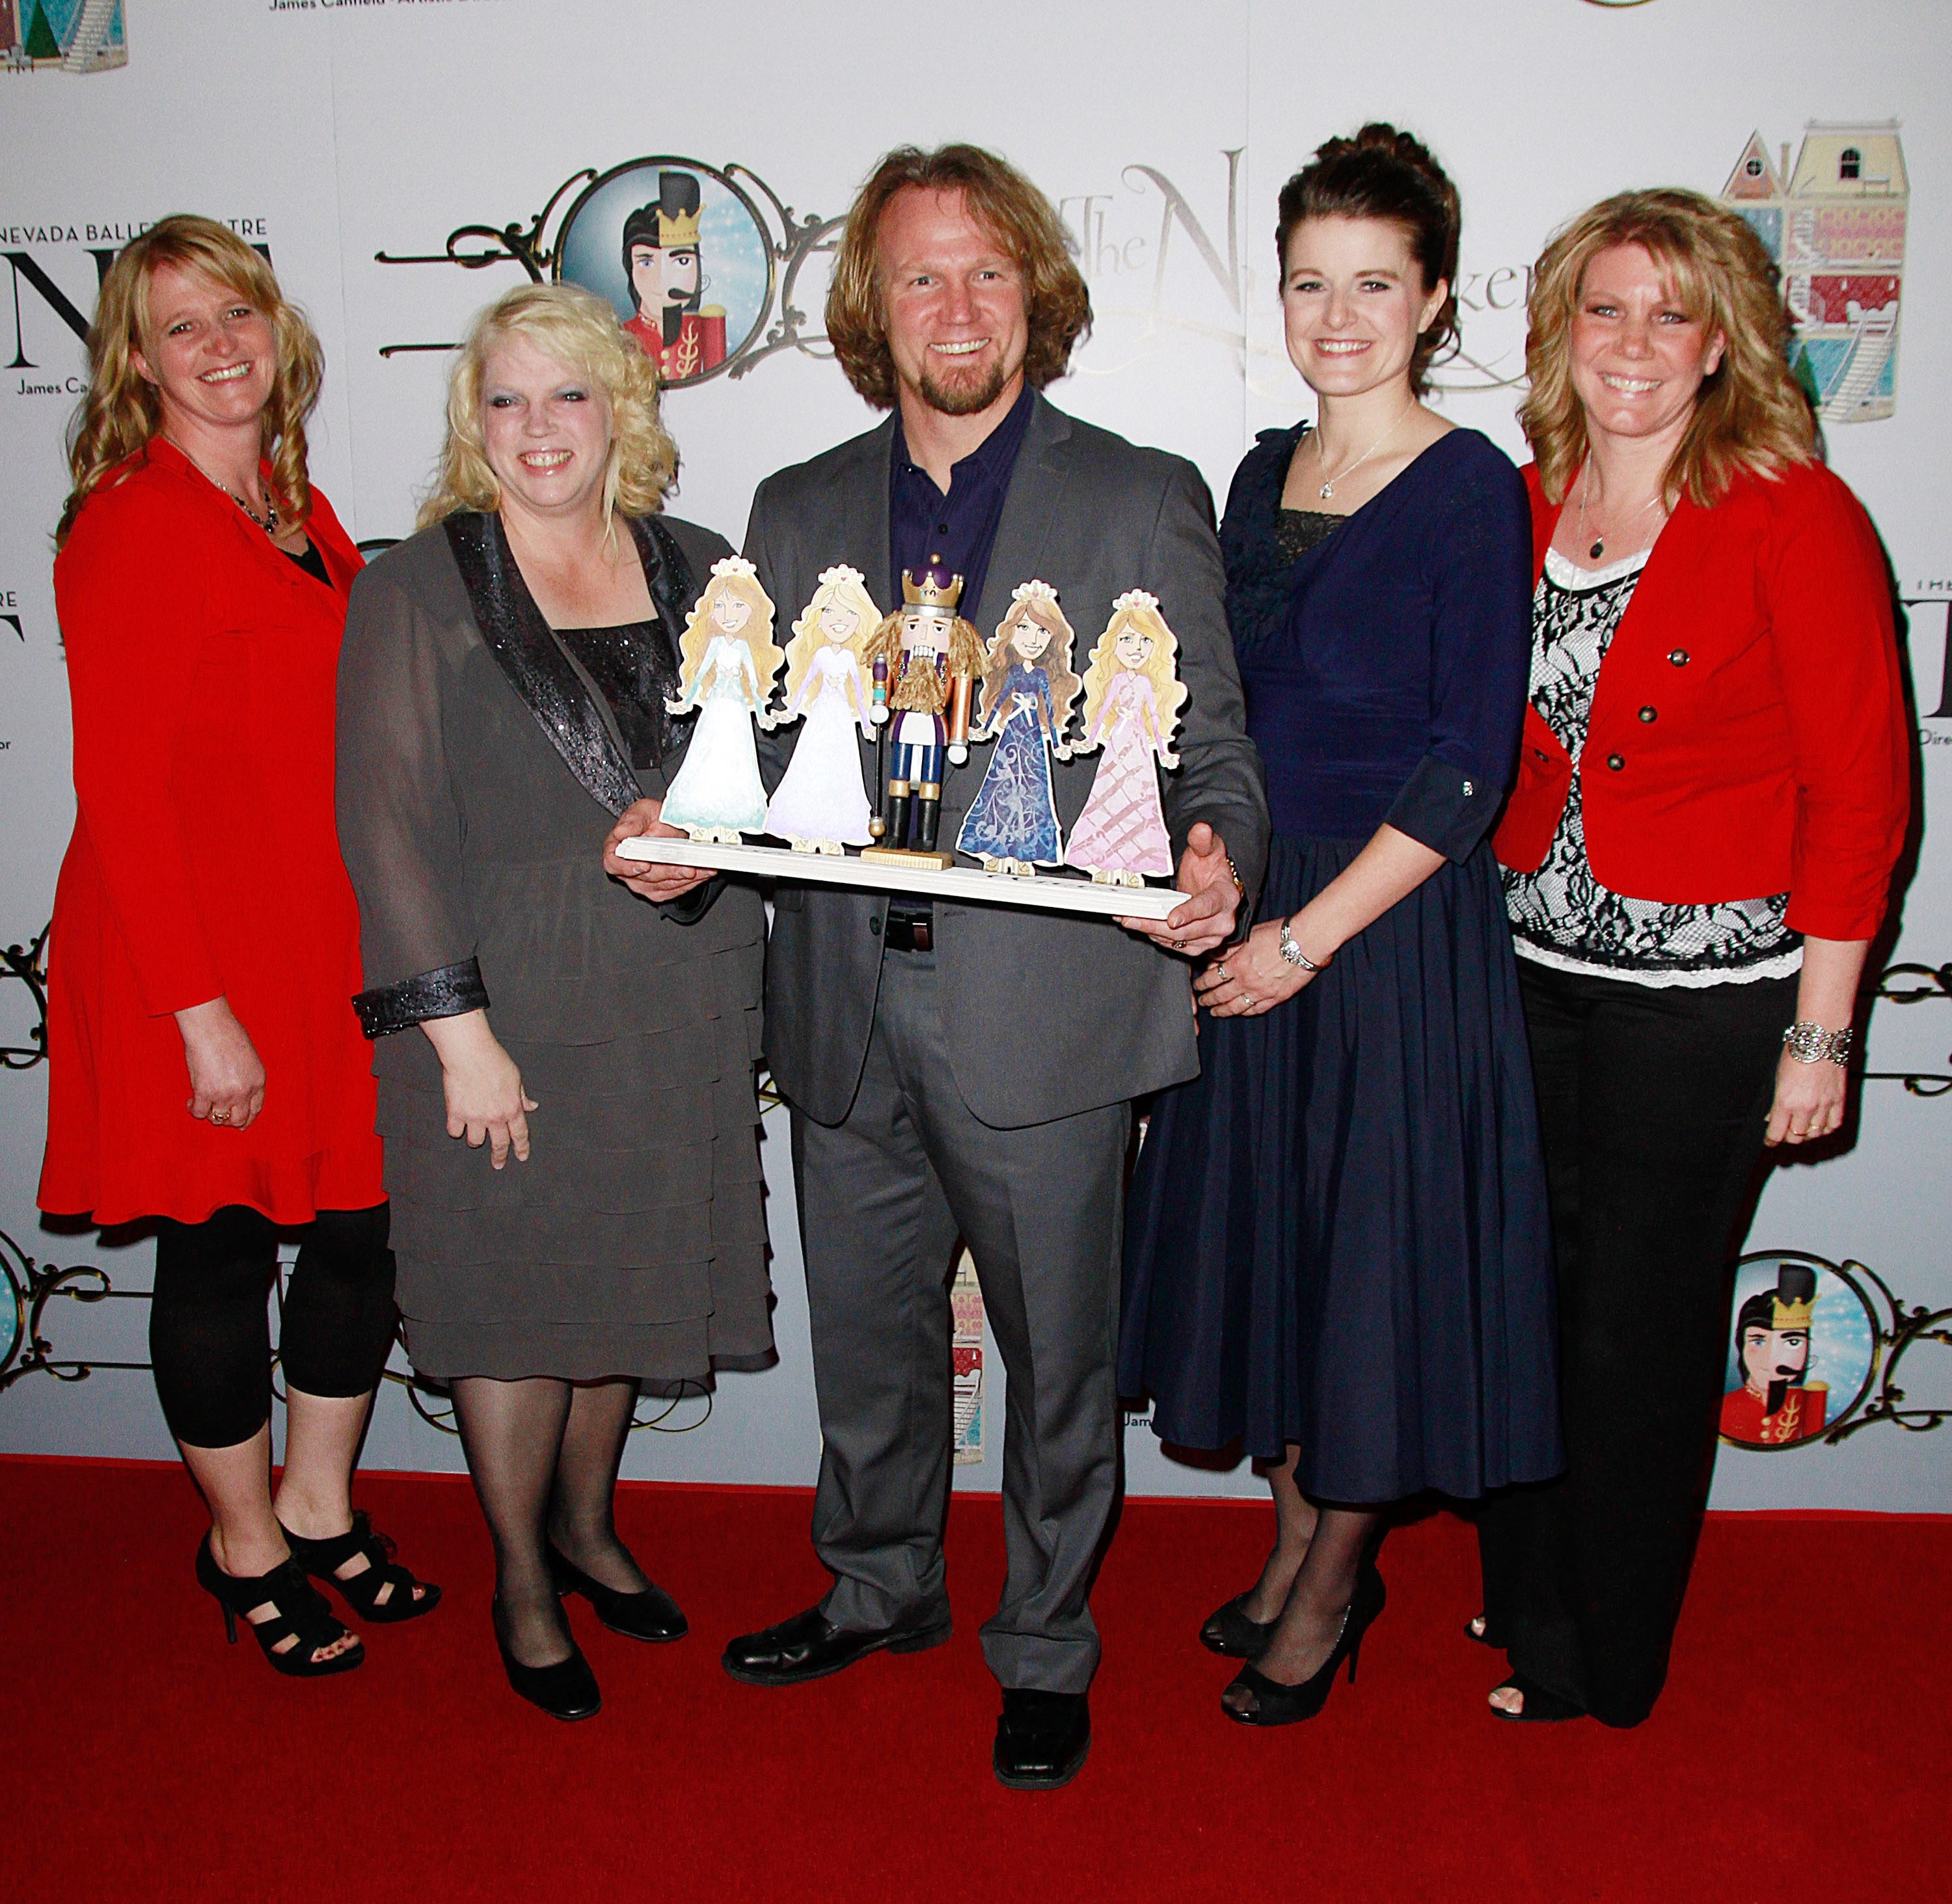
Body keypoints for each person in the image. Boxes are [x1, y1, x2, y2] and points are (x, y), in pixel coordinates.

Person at [607, 142, 1269, 1789]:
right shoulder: (798, 507)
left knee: (1056, 1360)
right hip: (838, 1005)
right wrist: (686, 831)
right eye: (918, 276)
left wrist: (1216, 863)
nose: (954, 306)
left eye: (983, 272)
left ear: (1032, 294)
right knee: (870, 1337)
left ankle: (1043, 1643)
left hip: (1043, 1016)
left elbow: (1218, 758)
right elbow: (750, 758)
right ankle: (877, 1585)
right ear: (869, 308)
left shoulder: (1138, 494)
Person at [1118, 125, 1562, 1727]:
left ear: (1433, 296)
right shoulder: (1255, 471)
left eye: (1373, 283)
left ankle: (1326, 1586)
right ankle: (1300, 1537)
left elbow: (1468, 766)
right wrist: (1213, 868)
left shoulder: (1468, 492)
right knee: (1280, 1266)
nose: (1336, 315)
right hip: (1258, 911)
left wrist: (1307, 942)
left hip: (1383, 937)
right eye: (1310, 282)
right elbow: (1209, 712)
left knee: (1366, 1270)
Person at [1474, 189, 1907, 1724]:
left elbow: (1861, 789)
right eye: (1605, 308)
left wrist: (1821, 1030)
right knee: (1519, 1304)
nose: (1634, 342)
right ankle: (1519, 1602)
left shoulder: (1792, 513)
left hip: (1707, 1006)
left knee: (1637, 1333)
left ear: (1723, 341)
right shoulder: (1522, 495)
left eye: (1671, 312)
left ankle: (1604, 1656)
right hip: (1523, 973)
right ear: (1560, 333)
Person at [335, 282, 772, 1721]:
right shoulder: (415, 583)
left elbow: (753, 785)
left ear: (620, 412)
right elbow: (383, 821)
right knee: (516, 1305)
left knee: (626, 1287)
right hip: (501, 1002)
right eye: (507, 400)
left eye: (568, 395)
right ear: (476, 421)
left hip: (672, 992)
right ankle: (523, 1572)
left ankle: (589, 1528)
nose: (538, 428)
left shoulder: (705, 566)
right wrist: (459, 1037)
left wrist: (702, 865)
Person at [41, 215, 437, 1680]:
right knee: (214, 1251)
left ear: (278, 331)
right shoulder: (134, 522)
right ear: (135, 364)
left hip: (318, 938)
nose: (219, 348)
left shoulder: (299, 509)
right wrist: (196, 1008)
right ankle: (244, 1543)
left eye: (237, 315)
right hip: (188, 952)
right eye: (180, 328)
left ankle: (320, 1502)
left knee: (358, 1229)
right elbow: (124, 795)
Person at [620, 172, 727, 382]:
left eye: (681, 262)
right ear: (630, 268)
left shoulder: (708, 328)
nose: (663, 279)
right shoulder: (620, 337)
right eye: (647, 262)